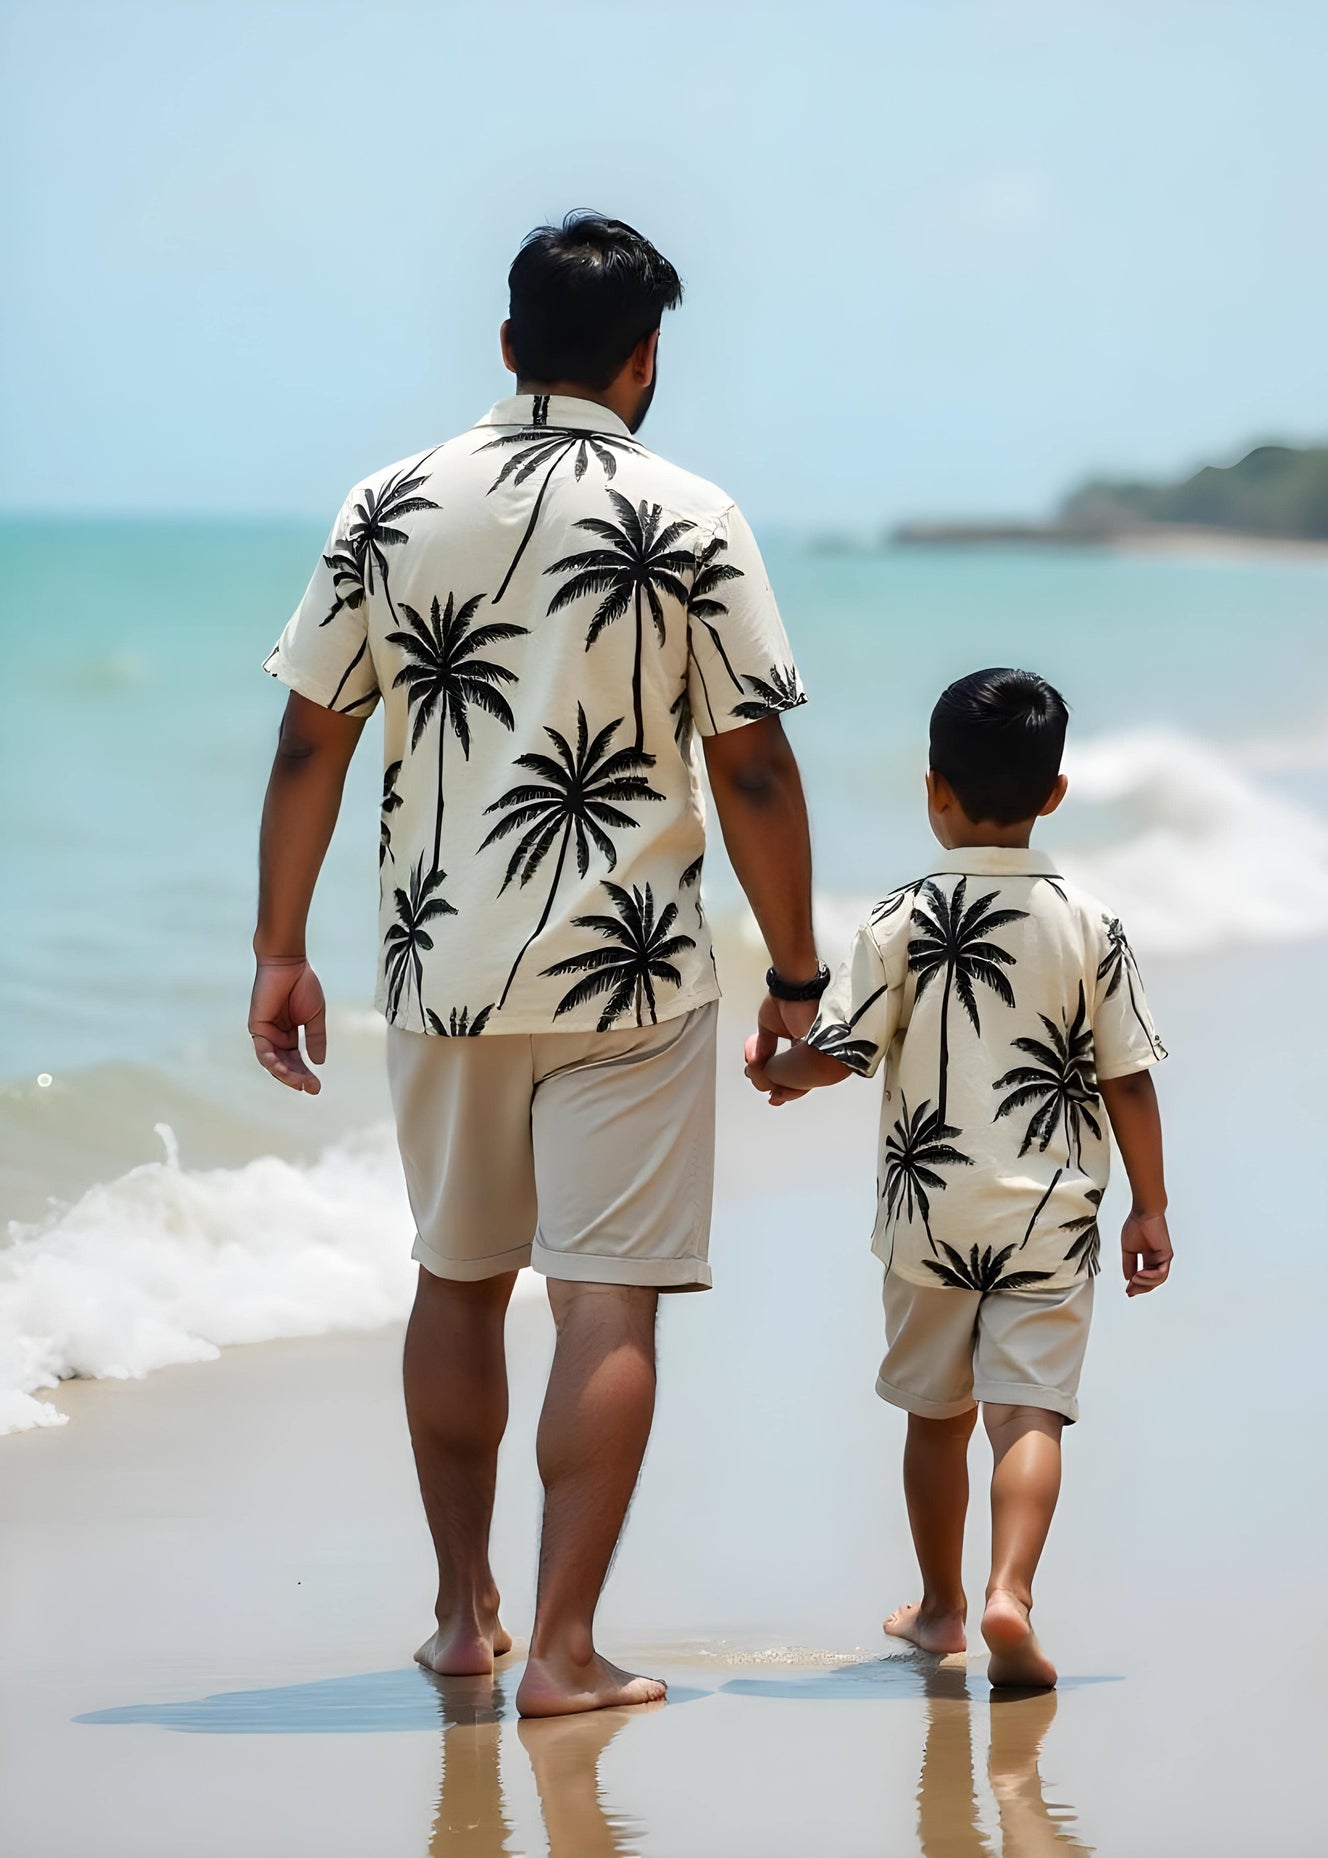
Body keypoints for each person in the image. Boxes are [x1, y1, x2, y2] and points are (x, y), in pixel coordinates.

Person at [249, 212, 826, 1716]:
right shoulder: (690, 512)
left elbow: (315, 734)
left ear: (509, 346)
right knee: (604, 1304)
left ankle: (461, 1616)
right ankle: (566, 1649)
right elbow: (752, 768)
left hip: (442, 962)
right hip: (629, 972)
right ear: (644, 361)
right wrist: (798, 979)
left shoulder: (387, 502)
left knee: (456, 1276)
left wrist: (277, 949)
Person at [746, 668, 1172, 1687]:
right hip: (1050, 1218)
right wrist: (1148, 1203)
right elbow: (1128, 1077)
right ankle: (1007, 1592)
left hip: (926, 1217)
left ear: (931, 788)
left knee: (933, 1419)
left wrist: (779, 1073)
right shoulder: (1089, 922)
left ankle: (938, 1607)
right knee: (1027, 1412)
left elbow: (841, 1052)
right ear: (1053, 793)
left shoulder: (897, 918)